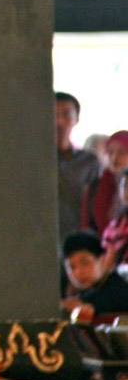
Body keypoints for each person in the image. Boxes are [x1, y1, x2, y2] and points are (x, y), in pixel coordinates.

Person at [56, 92, 101, 240]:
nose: (59, 121)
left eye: (66, 114)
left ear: (76, 119)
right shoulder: (32, 159)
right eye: (53, 114)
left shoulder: (89, 161)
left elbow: (97, 205)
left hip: (78, 240)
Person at [60, 230, 128, 318]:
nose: (79, 272)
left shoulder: (118, 289)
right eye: (71, 267)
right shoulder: (89, 290)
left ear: (102, 260)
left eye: (85, 262)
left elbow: (83, 303)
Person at [80, 131, 128, 237]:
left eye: (122, 152)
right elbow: (87, 222)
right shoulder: (97, 185)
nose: (115, 158)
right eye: (110, 152)